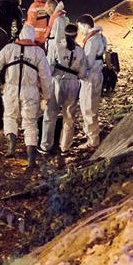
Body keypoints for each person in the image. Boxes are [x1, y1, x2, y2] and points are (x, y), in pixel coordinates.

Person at [0, 25, 52, 170]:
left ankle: (11, 148)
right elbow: (45, 76)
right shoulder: (38, 52)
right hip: (30, 91)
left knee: (10, 117)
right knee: (30, 123)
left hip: (11, 89)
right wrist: (47, 95)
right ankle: (31, 160)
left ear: (19, 36)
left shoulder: (9, 48)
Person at [41, 22, 86, 161]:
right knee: (69, 117)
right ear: (76, 35)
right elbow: (83, 73)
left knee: (50, 115)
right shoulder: (80, 50)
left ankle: (45, 146)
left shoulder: (55, 46)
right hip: (73, 84)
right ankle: (65, 146)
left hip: (57, 82)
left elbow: (48, 68)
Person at [77, 14, 109, 149]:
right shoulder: (101, 36)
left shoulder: (91, 40)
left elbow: (88, 62)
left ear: (85, 25)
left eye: (80, 27)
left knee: (88, 108)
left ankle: (92, 140)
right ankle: (93, 135)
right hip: (98, 74)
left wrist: (78, 73)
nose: (79, 31)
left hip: (90, 77)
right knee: (93, 107)